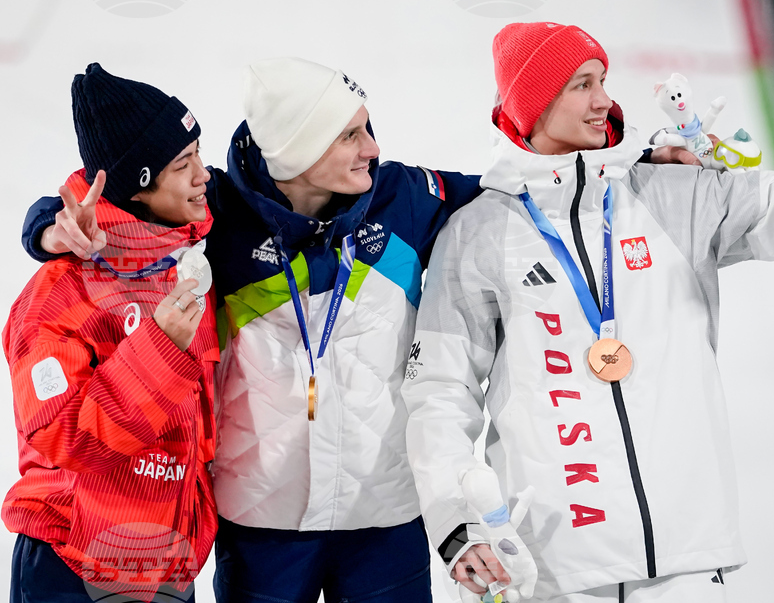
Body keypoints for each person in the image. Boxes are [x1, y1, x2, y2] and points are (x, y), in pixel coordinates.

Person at [401, 22, 774, 603]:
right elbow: (439, 392)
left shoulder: (673, 194)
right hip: (554, 568)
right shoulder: (478, 234)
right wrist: (458, 525)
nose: (604, 100)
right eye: (582, 85)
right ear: (536, 103)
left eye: (603, 81)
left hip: (687, 562)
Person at [23, 57, 487, 603]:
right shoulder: (220, 211)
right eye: (348, 135)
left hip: (385, 515)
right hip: (261, 521)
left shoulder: (403, 198)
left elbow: (505, 199)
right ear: (300, 149)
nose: (372, 148)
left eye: (366, 128)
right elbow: (125, 210)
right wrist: (48, 228)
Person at [4, 63, 217, 602]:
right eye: (183, 164)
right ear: (139, 188)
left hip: (167, 562)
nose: (204, 176)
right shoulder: (58, 292)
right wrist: (160, 349)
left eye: (199, 154)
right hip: (73, 567)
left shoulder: (181, 261)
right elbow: (63, 434)